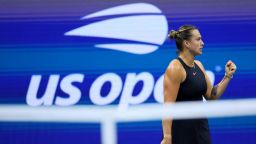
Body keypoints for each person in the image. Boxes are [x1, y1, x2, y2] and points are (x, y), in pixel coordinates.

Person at [161, 25, 237, 144]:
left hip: (201, 131)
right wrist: (167, 137)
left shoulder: (199, 65)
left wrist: (227, 76)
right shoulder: (175, 68)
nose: (202, 43)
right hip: (181, 133)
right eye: (198, 39)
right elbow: (167, 107)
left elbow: (212, 96)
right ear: (187, 43)